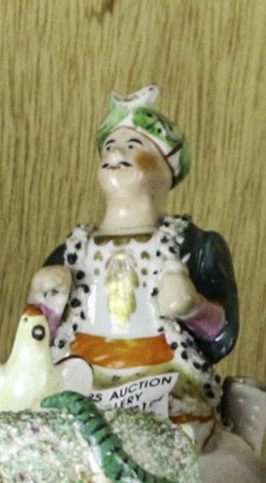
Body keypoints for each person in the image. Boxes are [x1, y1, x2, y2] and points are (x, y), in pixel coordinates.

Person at [32, 90, 238, 443]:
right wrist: (43, 301)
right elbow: (37, 335)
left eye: (133, 145)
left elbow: (223, 336)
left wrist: (193, 309)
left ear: (166, 168)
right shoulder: (73, 251)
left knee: (169, 431)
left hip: (161, 373)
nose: (116, 152)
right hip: (81, 370)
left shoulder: (197, 246)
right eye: (110, 144)